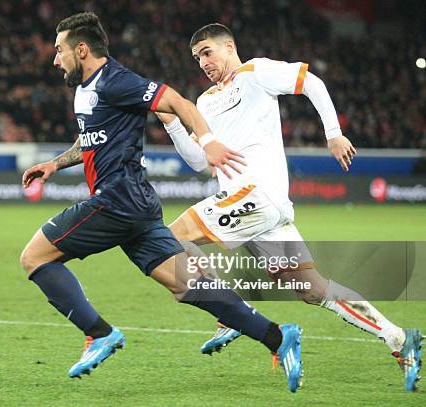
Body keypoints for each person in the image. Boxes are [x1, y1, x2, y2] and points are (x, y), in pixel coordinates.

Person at [20, 12, 304, 392]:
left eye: (60, 50)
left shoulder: (117, 80)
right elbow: (89, 139)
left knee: (35, 257)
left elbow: (181, 103)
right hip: (137, 205)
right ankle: (278, 337)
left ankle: (98, 333)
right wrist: (55, 164)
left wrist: (208, 143)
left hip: (117, 200)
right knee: (187, 286)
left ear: (82, 49)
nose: (56, 59)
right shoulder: (85, 89)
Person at [156, 23, 422, 392]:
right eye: (196, 57)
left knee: (167, 242)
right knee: (312, 290)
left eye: (207, 52)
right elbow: (202, 162)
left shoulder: (256, 72)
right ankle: (398, 338)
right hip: (260, 211)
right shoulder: (204, 102)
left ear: (229, 46)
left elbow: (311, 82)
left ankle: (231, 314)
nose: (202, 62)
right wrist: (172, 123)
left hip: (256, 196)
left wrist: (333, 133)